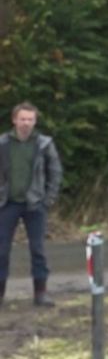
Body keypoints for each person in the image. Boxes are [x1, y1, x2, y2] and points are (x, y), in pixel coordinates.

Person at [0, 102, 63, 308]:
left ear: (35, 121)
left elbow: (55, 172)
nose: (26, 123)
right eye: (22, 119)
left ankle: (41, 293)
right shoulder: (3, 143)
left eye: (30, 119)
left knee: (38, 249)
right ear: (14, 120)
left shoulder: (44, 144)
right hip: (7, 203)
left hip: (35, 204)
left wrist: (48, 199)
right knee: (1, 250)